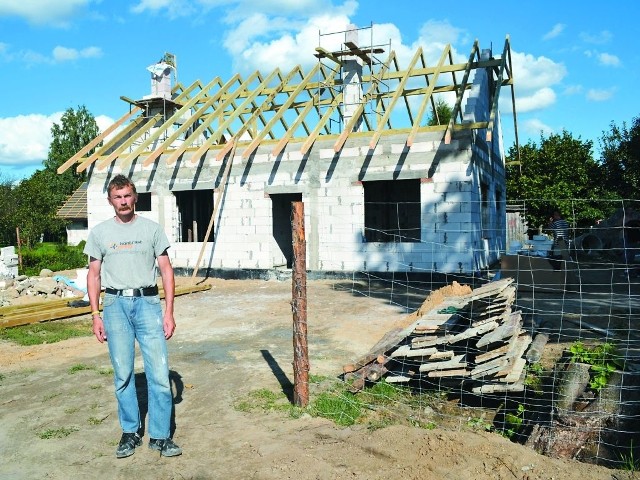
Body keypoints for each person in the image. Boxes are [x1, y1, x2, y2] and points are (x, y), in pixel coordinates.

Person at [84, 174, 182, 458]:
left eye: (127, 196)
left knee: (160, 374)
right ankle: (130, 432)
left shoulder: (151, 229)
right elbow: (94, 275)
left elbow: (166, 270)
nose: (123, 202)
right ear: (110, 200)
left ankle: (161, 436)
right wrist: (95, 314)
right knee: (123, 374)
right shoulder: (100, 233)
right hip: (115, 307)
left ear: (135, 197)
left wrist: (169, 312)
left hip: (148, 304)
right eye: (117, 197)